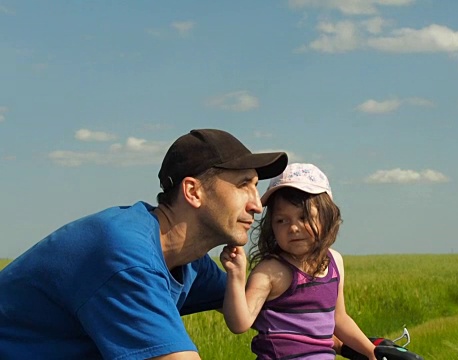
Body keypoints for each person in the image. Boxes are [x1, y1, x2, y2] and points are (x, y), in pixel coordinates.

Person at [0, 129, 288, 360]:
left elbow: (275, 307)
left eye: (256, 187)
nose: (257, 205)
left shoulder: (187, 259)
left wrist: (332, 342)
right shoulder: (126, 257)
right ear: (193, 191)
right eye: (243, 185)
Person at [220, 163, 376, 360]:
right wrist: (236, 275)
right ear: (271, 226)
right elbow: (239, 323)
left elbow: (339, 319)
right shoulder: (270, 271)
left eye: (304, 217)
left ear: (327, 217)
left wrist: (371, 352)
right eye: (281, 220)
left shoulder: (334, 261)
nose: (293, 228)